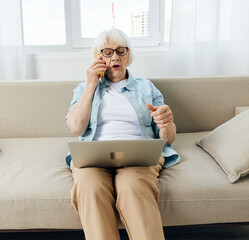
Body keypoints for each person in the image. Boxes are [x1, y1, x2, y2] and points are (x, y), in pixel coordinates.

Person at [64, 28, 180, 240]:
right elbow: (76, 128)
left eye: (120, 51)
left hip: (138, 156)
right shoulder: (84, 88)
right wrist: (91, 85)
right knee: (90, 187)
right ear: (98, 57)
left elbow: (167, 137)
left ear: (129, 55)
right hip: (94, 158)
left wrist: (167, 123)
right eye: (107, 52)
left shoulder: (147, 87)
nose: (115, 57)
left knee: (133, 187)